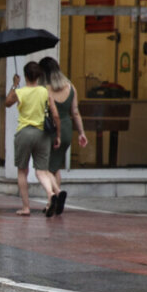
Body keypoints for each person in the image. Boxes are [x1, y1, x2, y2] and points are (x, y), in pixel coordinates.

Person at [5, 61, 62, 216]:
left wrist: (15, 85)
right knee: (42, 171)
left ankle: (26, 207)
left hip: (24, 133)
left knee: (22, 171)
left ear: (25, 76)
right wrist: (57, 135)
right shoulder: (45, 91)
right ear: (39, 76)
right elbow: (55, 115)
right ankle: (51, 194)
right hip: (42, 134)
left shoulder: (21, 92)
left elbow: (7, 103)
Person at [41, 56, 88, 215]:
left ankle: (56, 195)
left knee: (45, 168)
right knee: (55, 167)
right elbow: (75, 112)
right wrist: (81, 133)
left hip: (51, 130)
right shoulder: (71, 87)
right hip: (67, 130)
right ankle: (51, 203)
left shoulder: (45, 89)